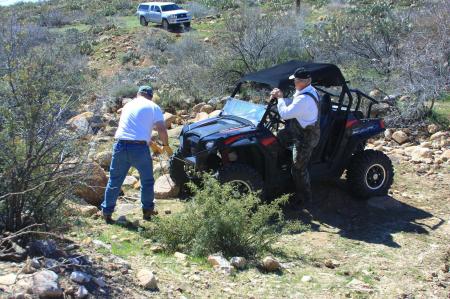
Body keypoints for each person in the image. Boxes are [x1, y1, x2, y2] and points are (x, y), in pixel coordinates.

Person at [101, 85, 173, 224]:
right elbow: (161, 129)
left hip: (120, 145)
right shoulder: (153, 107)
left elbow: (134, 129)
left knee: (115, 180)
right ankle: (147, 211)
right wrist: (165, 145)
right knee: (147, 181)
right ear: (151, 96)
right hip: (139, 149)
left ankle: (107, 212)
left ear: (138, 94)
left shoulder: (128, 105)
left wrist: (150, 142)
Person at [270, 67, 320, 204]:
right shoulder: (306, 90)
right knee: (279, 137)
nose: (295, 83)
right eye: (296, 80)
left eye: (298, 81)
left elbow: (285, 114)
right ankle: (280, 170)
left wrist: (280, 98)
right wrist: (280, 101)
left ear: (308, 81)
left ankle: (305, 198)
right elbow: (293, 104)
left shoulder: (305, 98)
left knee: (298, 168)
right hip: (298, 129)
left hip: (306, 137)